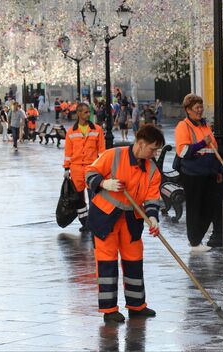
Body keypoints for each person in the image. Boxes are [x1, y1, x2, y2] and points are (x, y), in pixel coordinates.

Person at [85, 124, 164, 323]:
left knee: (134, 261)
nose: (155, 153)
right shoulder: (113, 155)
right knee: (107, 262)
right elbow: (89, 173)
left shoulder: (152, 169)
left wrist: (153, 217)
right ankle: (109, 310)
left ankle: (137, 306)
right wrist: (104, 183)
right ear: (140, 143)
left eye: (157, 150)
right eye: (153, 148)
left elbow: (152, 197)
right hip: (105, 218)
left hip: (132, 219)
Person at [174, 93, 223, 252]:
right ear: (188, 110)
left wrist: (218, 170)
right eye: (197, 108)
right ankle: (194, 241)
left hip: (208, 172)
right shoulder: (183, 126)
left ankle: (197, 238)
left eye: (201, 107)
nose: (200, 110)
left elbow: (212, 149)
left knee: (210, 206)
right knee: (195, 208)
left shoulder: (204, 125)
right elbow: (183, 151)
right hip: (193, 174)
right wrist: (202, 143)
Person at [64, 103, 106, 232]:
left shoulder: (97, 129)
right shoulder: (71, 131)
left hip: (91, 168)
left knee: (93, 196)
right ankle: (84, 222)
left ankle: (93, 221)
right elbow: (68, 152)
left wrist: (102, 168)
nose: (88, 114)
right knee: (79, 199)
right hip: (76, 169)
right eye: (86, 112)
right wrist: (66, 168)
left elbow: (102, 151)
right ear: (78, 113)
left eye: (89, 112)